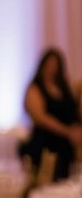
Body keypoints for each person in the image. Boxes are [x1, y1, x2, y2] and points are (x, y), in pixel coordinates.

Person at [22, 47, 82, 182]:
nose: (52, 69)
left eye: (55, 65)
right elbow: (40, 118)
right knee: (46, 183)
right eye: (49, 65)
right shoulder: (35, 88)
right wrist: (68, 132)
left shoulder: (64, 88)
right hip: (46, 146)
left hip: (65, 148)